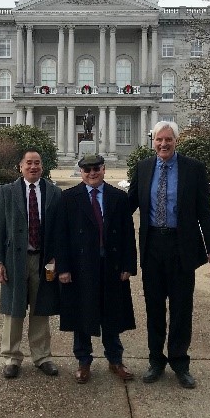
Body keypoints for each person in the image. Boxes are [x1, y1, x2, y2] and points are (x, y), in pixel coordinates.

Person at [128, 121, 210, 389]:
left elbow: (204, 211)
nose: (163, 144)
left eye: (168, 139)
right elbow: (129, 203)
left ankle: (180, 362)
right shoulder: (144, 168)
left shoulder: (193, 169)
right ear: (153, 141)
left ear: (176, 141)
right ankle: (155, 361)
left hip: (181, 247)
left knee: (182, 308)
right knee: (154, 307)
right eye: (159, 140)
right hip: (152, 247)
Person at [56, 154, 137, 384]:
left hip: (111, 264)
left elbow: (128, 234)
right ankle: (83, 361)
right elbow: (61, 235)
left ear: (103, 169)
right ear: (81, 172)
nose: (92, 173)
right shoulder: (68, 198)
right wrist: (63, 268)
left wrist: (128, 265)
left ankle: (115, 359)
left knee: (112, 313)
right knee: (82, 314)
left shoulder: (118, 197)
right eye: (87, 170)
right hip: (81, 266)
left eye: (96, 169)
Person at [0, 149, 62, 379]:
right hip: (15, 260)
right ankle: (12, 357)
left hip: (43, 261)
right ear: (20, 166)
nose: (33, 167)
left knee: (41, 310)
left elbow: (59, 230)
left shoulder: (53, 192)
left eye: (37, 163)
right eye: (29, 163)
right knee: (14, 310)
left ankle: (42, 357)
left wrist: (57, 258)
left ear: (42, 166)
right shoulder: (7, 192)